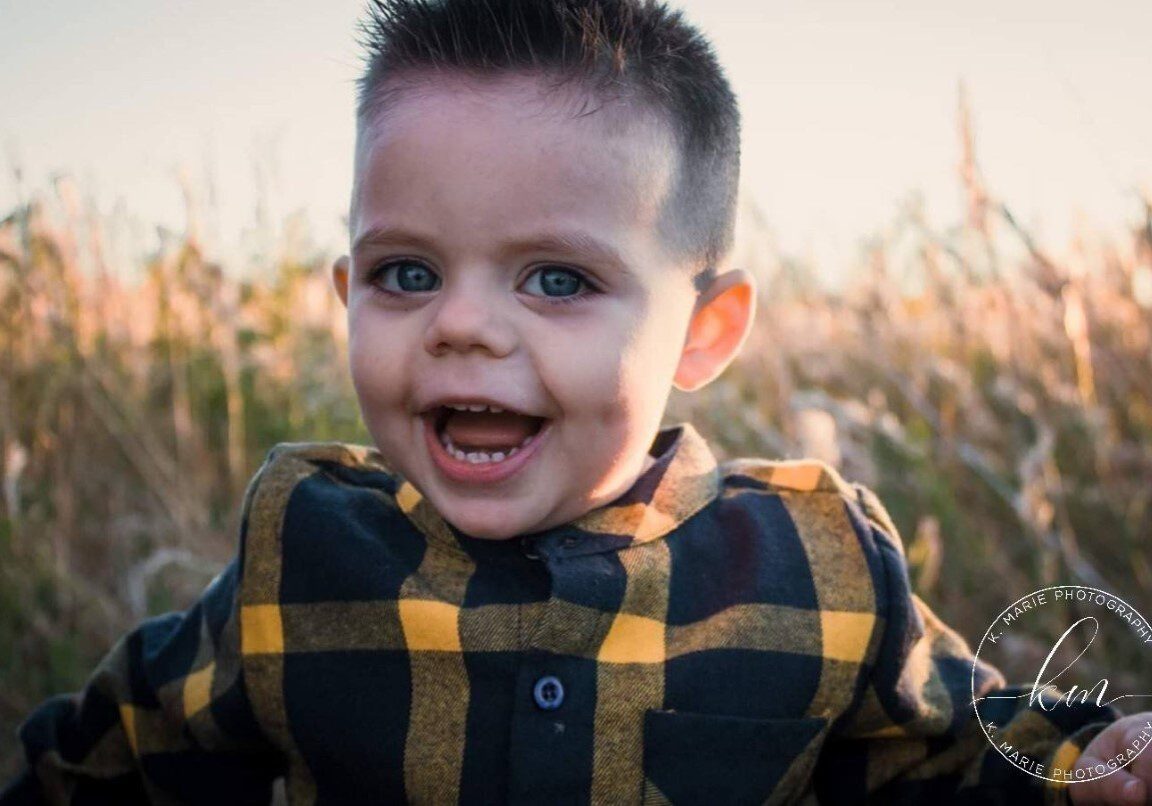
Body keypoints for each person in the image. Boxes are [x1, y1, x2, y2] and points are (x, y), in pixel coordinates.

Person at [4, 0, 1149, 803]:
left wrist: (1104, 763)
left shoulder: (817, 565)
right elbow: (116, 752)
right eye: (407, 272)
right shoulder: (298, 551)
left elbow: (953, 754)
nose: (462, 323)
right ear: (346, 292)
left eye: (558, 278)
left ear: (702, 331)